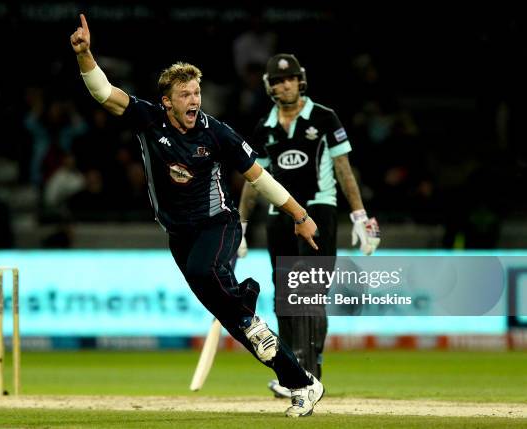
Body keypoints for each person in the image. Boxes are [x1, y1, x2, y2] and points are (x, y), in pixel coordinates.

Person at [70, 15, 324, 417]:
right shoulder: (148, 119)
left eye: (197, 92)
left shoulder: (217, 133)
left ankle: (246, 295)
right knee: (243, 327)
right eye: (185, 94)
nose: (194, 100)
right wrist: (85, 54)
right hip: (179, 236)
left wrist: (299, 214)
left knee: (209, 273)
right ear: (167, 101)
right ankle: (302, 383)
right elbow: (104, 92)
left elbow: (260, 178)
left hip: (217, 225)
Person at [238, 53, 381, 398]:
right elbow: (253, 179)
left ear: (300, 80)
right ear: (269, 87)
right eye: (277, 81)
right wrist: (241, 223)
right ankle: (291, 373)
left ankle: (308, 373)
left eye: (289, 79)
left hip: (320, 211)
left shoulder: (324, 118)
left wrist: (360, 216)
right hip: (280, 216)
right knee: (285, 298)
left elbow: (344, 169)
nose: (284, 85)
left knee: (309, 293)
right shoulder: (266, 127)